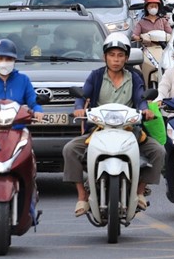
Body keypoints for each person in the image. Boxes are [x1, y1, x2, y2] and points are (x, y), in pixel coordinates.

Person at [63, 33, 166, 216]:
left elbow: (140, 99)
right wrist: (79, 108)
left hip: (129, 129)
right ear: (105, 57)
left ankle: (139, 192)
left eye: (120, 55)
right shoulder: (95, 76)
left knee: (158, 151)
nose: (116, 60)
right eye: (112, 55)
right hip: (99, 129)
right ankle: (82, 196)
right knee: (70, 150)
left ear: (126, 58)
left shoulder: (134, 77)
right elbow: (83, 95)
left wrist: (145, 111)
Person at [0, 39, 44, 121]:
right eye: (0, 58)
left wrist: (37, 110)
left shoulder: (23, 80)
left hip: (17, 127)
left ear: (14, 61)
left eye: (8, 59)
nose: (4, 62)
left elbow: (33, 101)